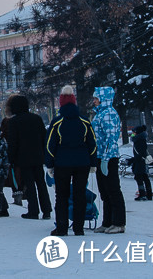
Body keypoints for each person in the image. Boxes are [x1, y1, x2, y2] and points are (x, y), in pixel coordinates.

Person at [45, 85, 98, 237]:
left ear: (61, 103)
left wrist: (50, 164)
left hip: (62, 165)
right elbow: (92, 144)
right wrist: (93, 163)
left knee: (61, 196)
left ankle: (62, 227)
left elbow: (50, 146)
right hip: (82, 164)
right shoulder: (84, 122)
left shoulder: (57, 123)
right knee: (79, 195)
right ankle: (79, 228)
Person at [5, 93, 52, 220]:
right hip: (38, 156)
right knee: (41, 183)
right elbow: (44, 138)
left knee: (29, 185)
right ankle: (46, 210)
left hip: (23, 158)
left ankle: (33, 210)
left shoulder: (14, 121)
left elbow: (13, 142)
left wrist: (12, 159)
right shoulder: (37, 118)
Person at [91, 86, 126, 234]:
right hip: (101, 157)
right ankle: (107, 222)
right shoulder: (101, 114)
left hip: (108, 158)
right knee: (104, 191)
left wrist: (105, 159)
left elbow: (111, 139)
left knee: (113, 190)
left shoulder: (109, 114)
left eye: (96, 98)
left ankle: (119, 222)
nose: (94, 101)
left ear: (103, 99)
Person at [131, 125, 153, 201]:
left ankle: (143, 194)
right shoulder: (139, 139)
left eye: (133, 132)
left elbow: (140, 153)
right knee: (144, 177)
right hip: (140, 161)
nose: (132, 134)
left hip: (140, 162)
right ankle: (148, 194)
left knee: (140, 177)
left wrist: (133, 160)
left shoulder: (139, 140)